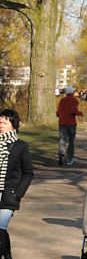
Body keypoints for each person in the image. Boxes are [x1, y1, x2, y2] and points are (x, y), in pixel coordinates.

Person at [0, 109, 33, 259]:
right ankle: (7, 254)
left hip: (9, 196)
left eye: (4, 123)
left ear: (13, 125)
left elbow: (28, 173)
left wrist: (17, 193)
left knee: (0, 227)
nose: (1, 125)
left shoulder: (21, 146)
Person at [56, 85, 83, 166]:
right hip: (71, 123)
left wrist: (60, 116)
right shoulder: (74, 100)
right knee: (71, 141)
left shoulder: (62, 100)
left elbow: (58, 112)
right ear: (72, 92)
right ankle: (70, 159)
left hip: (62, 122)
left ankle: (61, 153)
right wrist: (80, 113)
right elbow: (73, 111)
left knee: (62, 139)